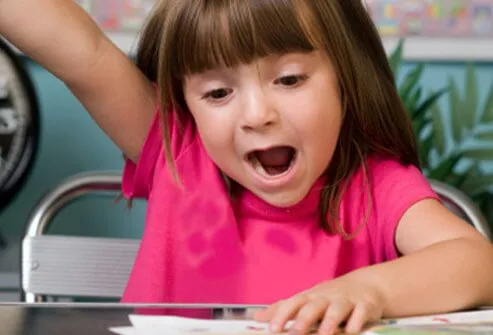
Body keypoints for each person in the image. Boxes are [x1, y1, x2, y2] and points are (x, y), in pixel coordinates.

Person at [2, 0, 493, 334]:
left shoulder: (374, 187)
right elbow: (80, 52)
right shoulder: (178, 155)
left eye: (290, 79)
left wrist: (370, 290)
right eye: (218, 93)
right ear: (186, 103)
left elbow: (476, 261)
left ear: (346, 77)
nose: (258, 115)